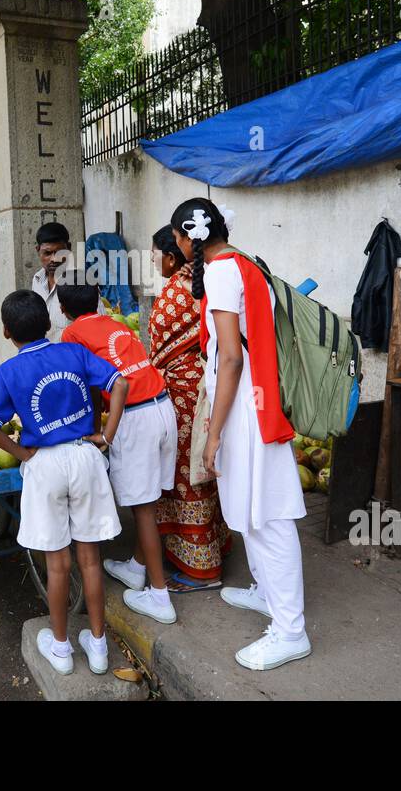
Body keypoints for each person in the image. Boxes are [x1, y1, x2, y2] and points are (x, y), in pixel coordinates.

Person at [171, 197, 312, 671]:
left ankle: (291, 631)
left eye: (176, 239)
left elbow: (230, 357)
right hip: (256, 401)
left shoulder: (220, 272)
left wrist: (213, 433)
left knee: (267, 516)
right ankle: (267, 593)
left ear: (187, 238)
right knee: (254, 510)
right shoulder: (246, 262)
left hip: (247, 411)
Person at [0, 290, 129, 676]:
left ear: (8, 331)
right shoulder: (73, 353)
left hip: (44, 464)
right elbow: (120, 384)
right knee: (90, 559)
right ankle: (98, 648)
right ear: (49, 323)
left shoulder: (8, 371)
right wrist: (107, 435)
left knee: (58, 565)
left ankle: (60, 648)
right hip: (85, 456)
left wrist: (23, 454)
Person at [58, 274, 179, 625]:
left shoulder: (71, 334)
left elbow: (91, 389)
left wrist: (98, 432)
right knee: (149, 501)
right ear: (98, 299)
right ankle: (137, 569)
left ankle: (160, 597)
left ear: (63, 309)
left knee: (142, 509)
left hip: (135, 416)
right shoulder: (112, 323)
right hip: (163, 407)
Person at [149, 225, 232, 592]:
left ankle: (203, 569)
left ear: (172, 255)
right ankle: (213, 546)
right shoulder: (206, 280)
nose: (152, 261)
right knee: (202, 470)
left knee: (186, 476)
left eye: (154, 254)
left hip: (183, 398)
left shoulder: (174, 293)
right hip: (206, 389)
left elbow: (157, 351)